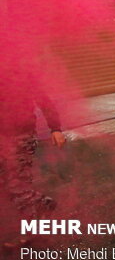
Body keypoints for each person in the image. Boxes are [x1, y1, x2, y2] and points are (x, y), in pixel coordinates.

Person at [1, 67, 66, 249]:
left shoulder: (22, 72)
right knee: (8, 186)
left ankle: (35, 234)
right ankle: (43, 204)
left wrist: (55, 128)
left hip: (20, 136)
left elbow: (43, 100)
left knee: (18, 188)